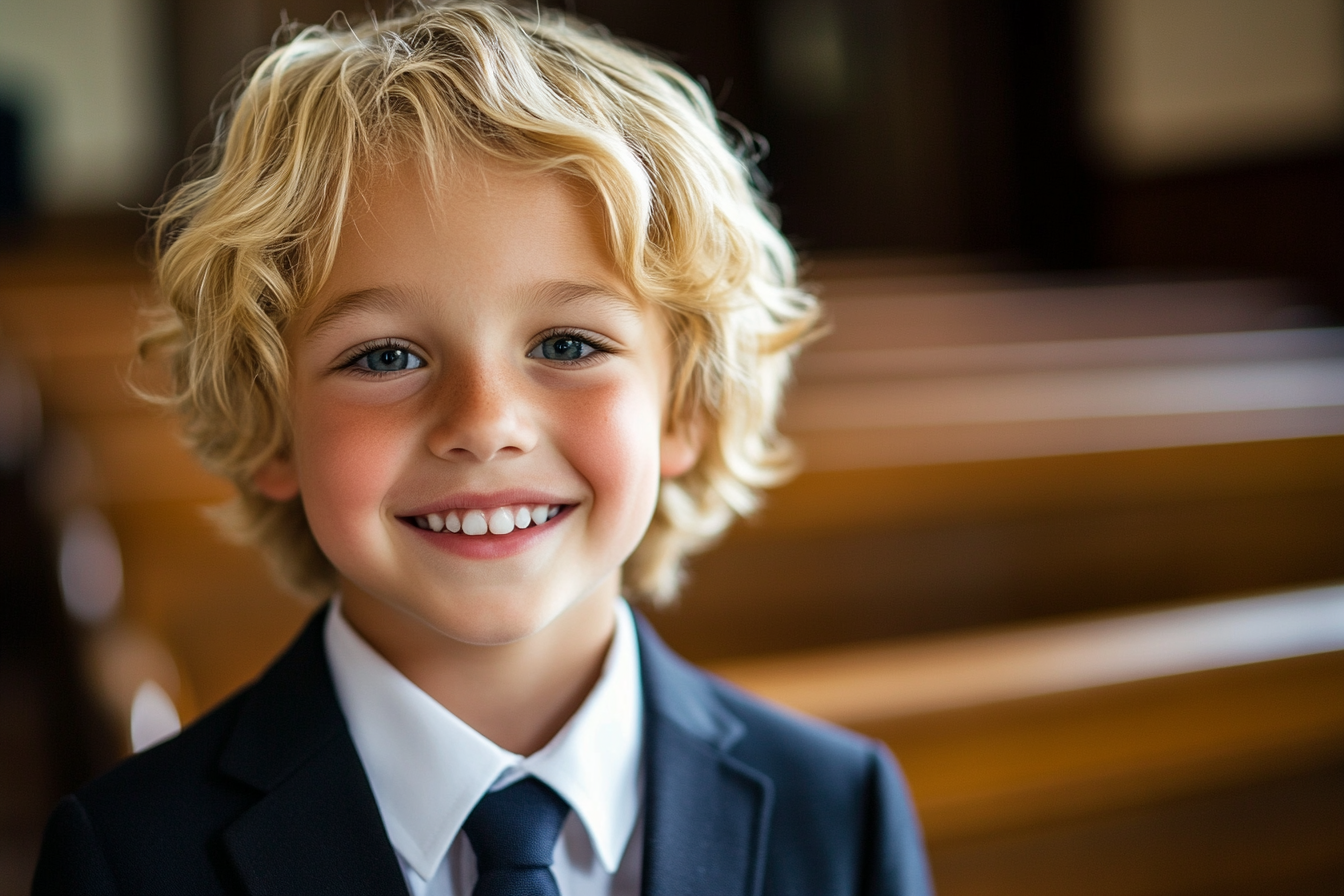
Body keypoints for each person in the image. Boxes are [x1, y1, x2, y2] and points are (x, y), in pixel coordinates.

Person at [32, 3, 932, 893]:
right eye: (384, 356)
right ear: (272, 426)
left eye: (568, 345)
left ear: (683, 407)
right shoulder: (126, 855)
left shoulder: (840, 809)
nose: (484, 421)